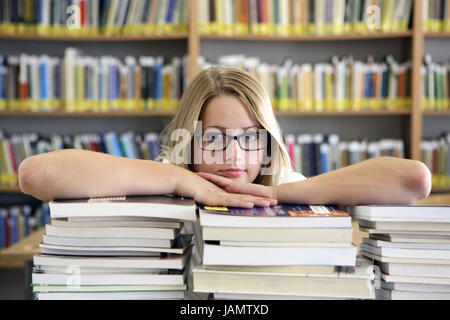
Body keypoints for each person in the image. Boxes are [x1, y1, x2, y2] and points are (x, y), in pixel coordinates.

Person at [18, 66, 431, 208]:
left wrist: (276, 195)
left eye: (251, 138)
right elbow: (37, 174)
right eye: (214, 138)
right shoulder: (167, 177)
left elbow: (415, 180)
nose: (234, 154)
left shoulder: (282, 186)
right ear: (189, 140)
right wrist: (183, 181)